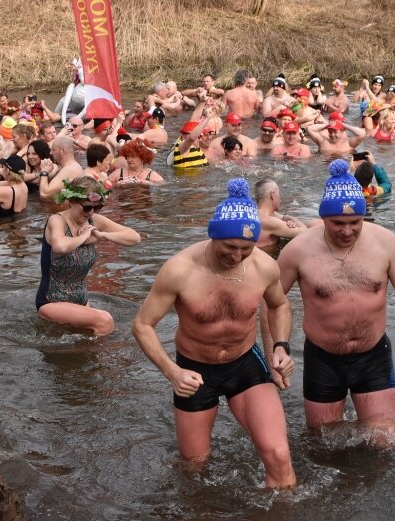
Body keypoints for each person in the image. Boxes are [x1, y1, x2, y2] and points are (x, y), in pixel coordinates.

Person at [132, 178, 296, 488]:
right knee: (195, 470)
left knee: (278, 454)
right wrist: (172, 371)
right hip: (194, 371)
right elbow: (142, 325)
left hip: (245, 364)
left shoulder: (264, 267)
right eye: (229, 247)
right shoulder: (180, 270)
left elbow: (279, 306)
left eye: (245, 249)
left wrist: (280, 347)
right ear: (213, 236)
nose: (236, 256)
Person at [276, 159, 395, 447]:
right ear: (323, 218)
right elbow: (272, 302)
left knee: (388, 442)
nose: (347, 231)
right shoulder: (298, 250)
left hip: (371, 355)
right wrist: (278, 347)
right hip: (322, 357)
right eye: (338, 223)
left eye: (355, 223)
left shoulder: (385, 243)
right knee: (322, 445)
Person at [36, 176, 140, 335]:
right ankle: (94, 359)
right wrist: (84, 237)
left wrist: (103, 235)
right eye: (86, 207)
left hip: (81, 300)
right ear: (70, 200)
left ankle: (88, 357)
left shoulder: (93, 221)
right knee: (105, 322)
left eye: (96, 207)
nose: (91, 212)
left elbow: (134, 237)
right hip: (51, 301)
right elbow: (60, 246)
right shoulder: (56, 221)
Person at [254, 178, 308, 249]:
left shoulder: (257, 213)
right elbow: (306, 233)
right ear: (272, 195)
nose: (280, 197)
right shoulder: (269, 221)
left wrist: (287, 219)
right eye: (278, 193)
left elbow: (282, 217)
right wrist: (292, 219)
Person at [39, 135, 84, 200]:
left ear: (62, 151)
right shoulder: (67, 167)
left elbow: (44, 194)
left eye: (53, 150)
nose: (50, 153)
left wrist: (44, 172)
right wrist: (47, 169)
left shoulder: (69, 169)